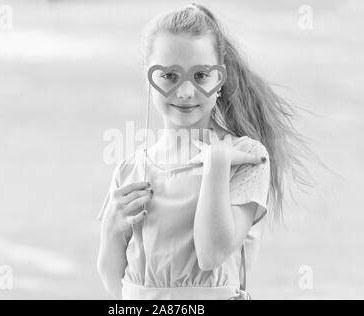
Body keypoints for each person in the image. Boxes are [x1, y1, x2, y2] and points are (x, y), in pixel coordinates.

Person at [97, 3, 313, 300]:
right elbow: (115, 285)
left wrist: (216, 163)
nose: (185, 92)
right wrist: (111, 227)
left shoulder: (246, 157)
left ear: (219, 81)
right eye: (169, 76)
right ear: (149, 80)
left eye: (200, 76)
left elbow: (211, 254)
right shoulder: (129, 170)